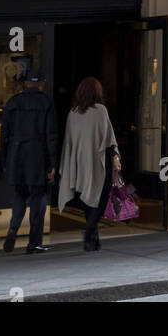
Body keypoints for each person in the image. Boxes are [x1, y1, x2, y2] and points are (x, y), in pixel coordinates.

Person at [58, 77, 122, 251]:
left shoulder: (73, 113)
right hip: (99, 162)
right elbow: (108, 139)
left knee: (88, 198)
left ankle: (94, 240)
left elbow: (69, 143)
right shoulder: (100, 110)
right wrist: (115, 157)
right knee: (100, 199)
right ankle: (88, 232)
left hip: (80, 162)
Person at [0, 69, 58, 254]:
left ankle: (12, 231)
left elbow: (4, 135)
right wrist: (52, 164)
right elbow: (51, 136)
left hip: (16, 154)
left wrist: (6, 160)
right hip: (37, 156)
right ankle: (34, 242)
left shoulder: (13, 102)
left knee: (19, 195)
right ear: (42, 83)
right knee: (37, 199)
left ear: (25, 84)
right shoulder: (46, 102)